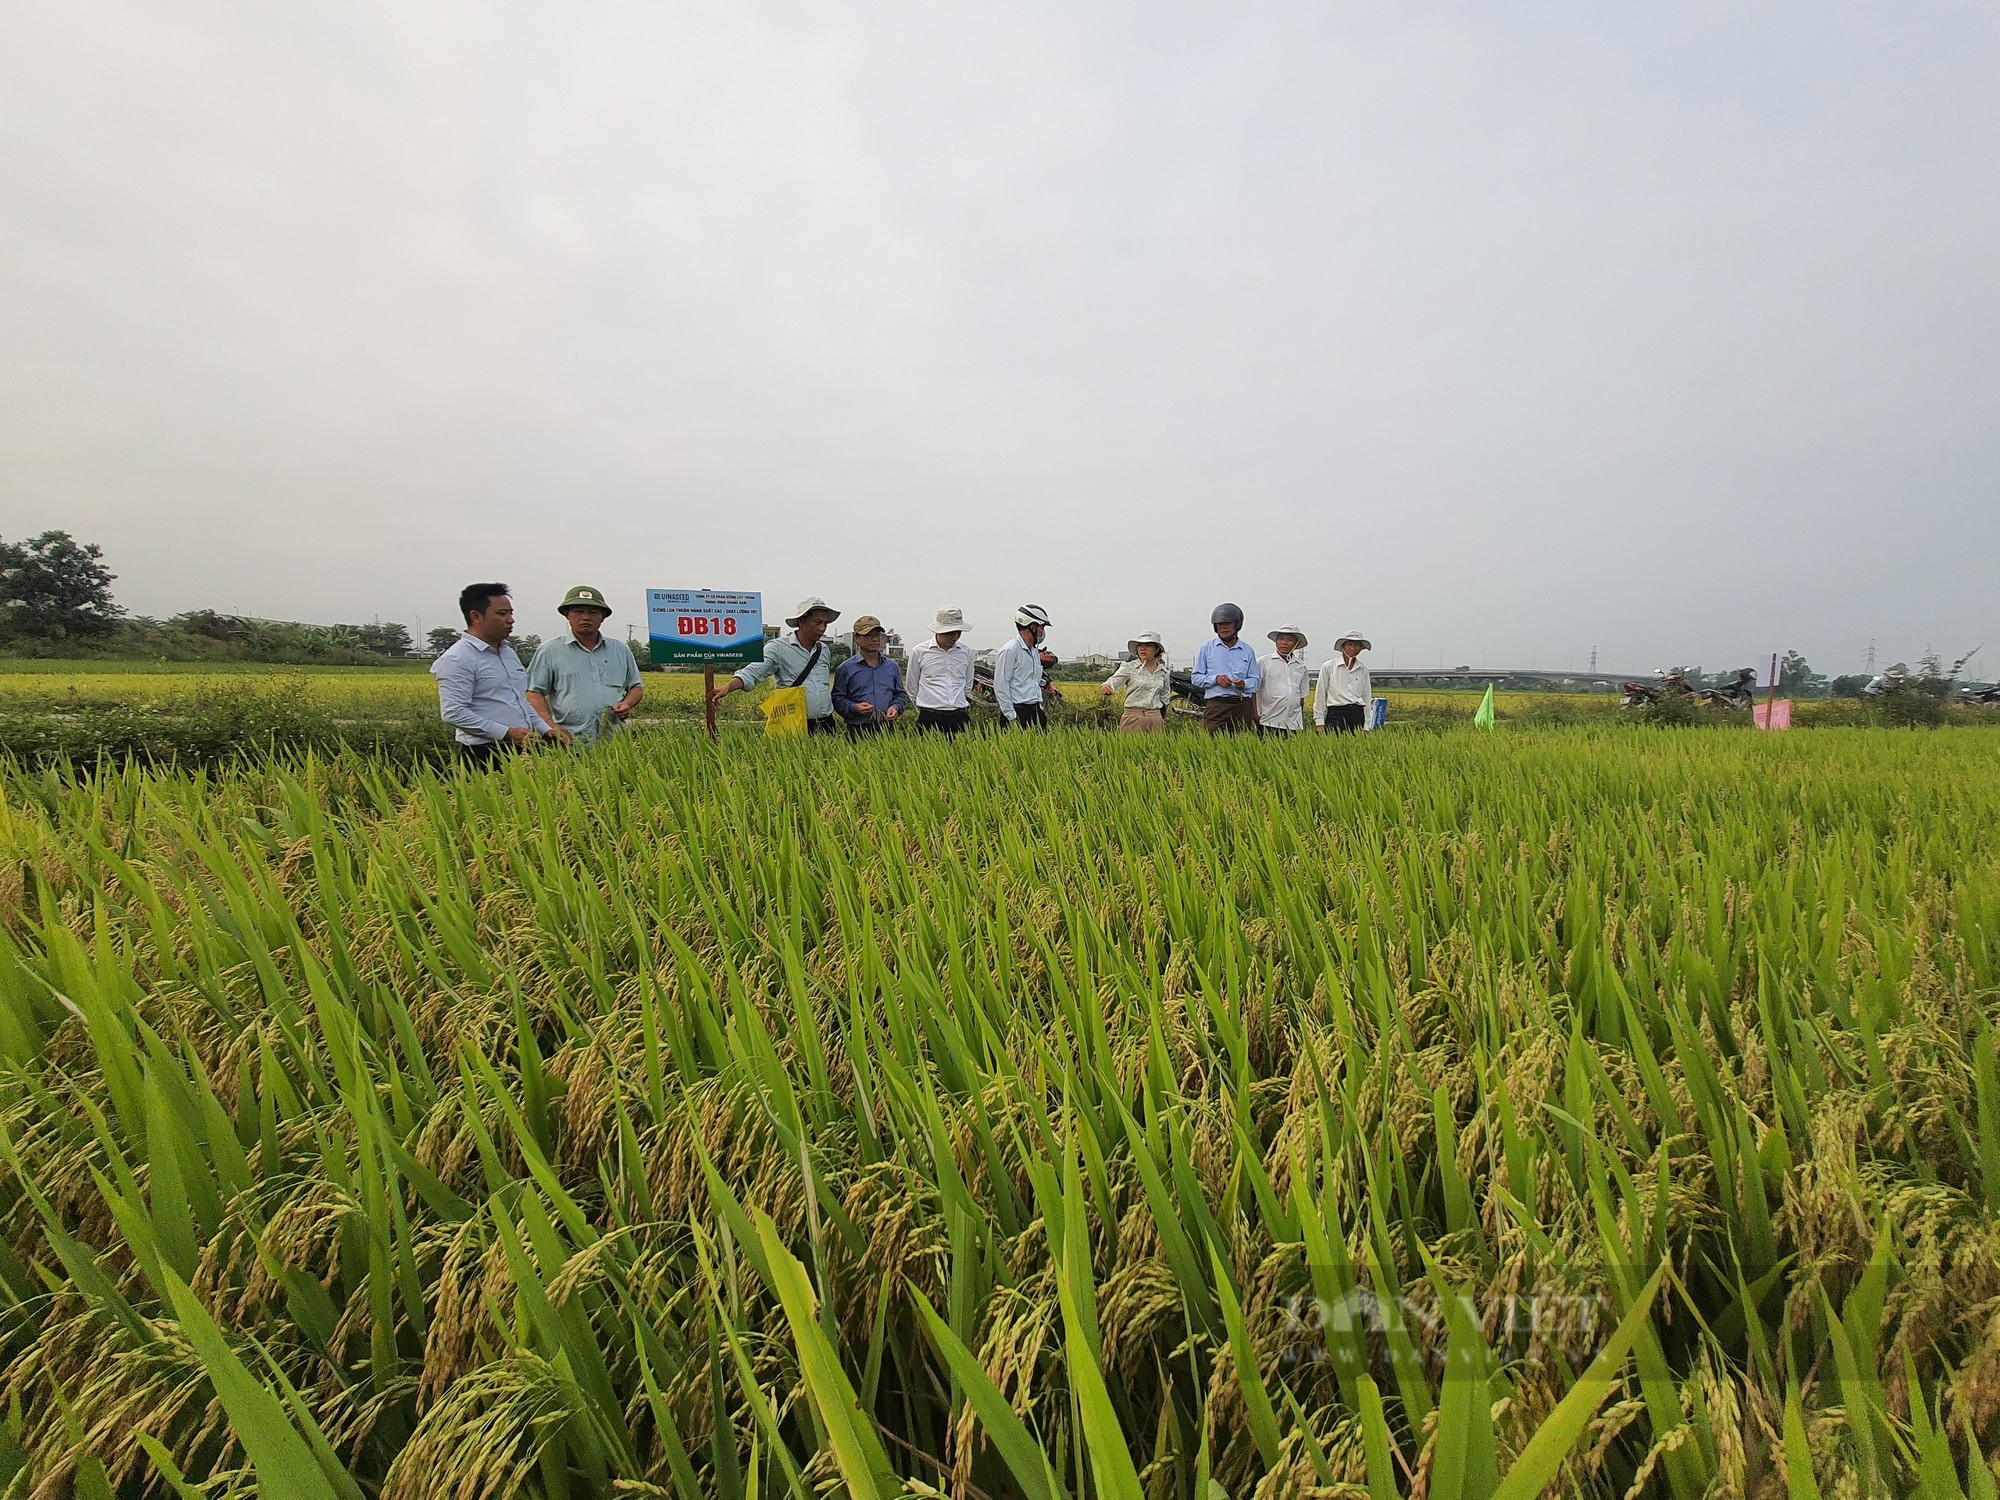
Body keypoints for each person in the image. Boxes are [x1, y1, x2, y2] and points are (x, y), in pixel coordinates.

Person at [431, 582, 557, 763]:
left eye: (510, 613)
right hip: (484, 754)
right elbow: (454, 712)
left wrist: (545, 730)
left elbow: (518, 701)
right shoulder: (457, 658)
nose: (510, 620)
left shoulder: (508, 653)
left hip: (523, 748)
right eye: (502, 614)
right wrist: (506, 733)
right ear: (476, 616)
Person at [526, 585, 645, 745]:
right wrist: (550, 726)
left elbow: (636, 687)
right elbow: (534, 692)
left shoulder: (620, 650)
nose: (586, 617)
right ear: (567, 615)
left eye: (593, 612)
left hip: (615, 743)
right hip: (570, 742)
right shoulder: (549, 650)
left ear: (603, 617)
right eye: (578, 611)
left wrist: (626, 704)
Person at [709, 597, 842, 734]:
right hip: (794, 722)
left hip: (826, 723)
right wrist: (728, 687)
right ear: (801, 621)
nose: (822, 628)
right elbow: (753, 672)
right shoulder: (778, 647)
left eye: (825, 623)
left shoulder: (824, 650)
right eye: (818, 622)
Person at [1192, 603, 1260, 734]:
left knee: (1241, 746)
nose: (1223, 627)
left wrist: (1244, 684)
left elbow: (1255, 680)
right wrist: (1216, 679)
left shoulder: (1247, 650)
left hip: (1242, 706)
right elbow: (1196, 678)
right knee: (1212, 744)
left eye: (1227, 623)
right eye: (1219, 624)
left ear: (1237, 625)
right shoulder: (1206, 648)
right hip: (1217, 706)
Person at [906, 608, 976, 735]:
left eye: (958, 632)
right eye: (950, 633)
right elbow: (912, 687)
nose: (955, 637)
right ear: (939, 631)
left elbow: (967, 685)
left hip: (959, 716)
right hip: (929, 717)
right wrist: (925, 709)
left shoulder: (966, 652)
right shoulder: (919, 651)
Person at [833, 615, 908, 734]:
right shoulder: (845, 668)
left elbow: (901, 694)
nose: (874, 639)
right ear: (857, 638)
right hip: (858, 729)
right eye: (868, 635)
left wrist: (896, 707)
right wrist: (855, 708)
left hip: (887, 728)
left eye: (877, 635)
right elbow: (837, 699)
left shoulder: (891, 666)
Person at [994, 605, 1054, 729]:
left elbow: (1035, 682)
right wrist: (1011, 716)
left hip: (1035, 711)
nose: (1042, 632)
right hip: (1017, 712)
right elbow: (1001, 685)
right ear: (1032, 627)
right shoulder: (1010, 651)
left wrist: (1040, 708)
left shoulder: (1034, 652)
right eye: (1041, 627)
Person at [1099, 632, 1172, 733]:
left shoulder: (1163, 672)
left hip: (1155, 718)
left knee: (1156, 748)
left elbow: (1165, 697)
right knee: (1128, 747)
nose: (1143, 648)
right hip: (1133, 717)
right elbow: (1113, 681)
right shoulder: (1129, 667)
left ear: (1157, 649)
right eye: (1140, 645)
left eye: (1148, 645)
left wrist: (1161, 717)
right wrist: (1106, 686)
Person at [1256, 625, 1311, 735]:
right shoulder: (1263, 662)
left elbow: (1301, 696)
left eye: (1289, 640)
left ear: (1297, 644)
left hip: (1294, 722)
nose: (1284, 643)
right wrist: (1255, 716)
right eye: (1281, 639)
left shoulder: (1301, 666)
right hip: (1268, 720)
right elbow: (1254, 690)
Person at [1317, 630, 1373, 734]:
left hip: (1357, 713)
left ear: (1361, 648)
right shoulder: (1329, 666)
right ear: (1342, 646)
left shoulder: (1362, 669)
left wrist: (1367, 726)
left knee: (1355, 747)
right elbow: (1321, 694)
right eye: (1349, 644)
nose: (1352, 648)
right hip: (1336, 713)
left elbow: (1367, 697)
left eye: (1356, 645)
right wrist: (1319, 721)